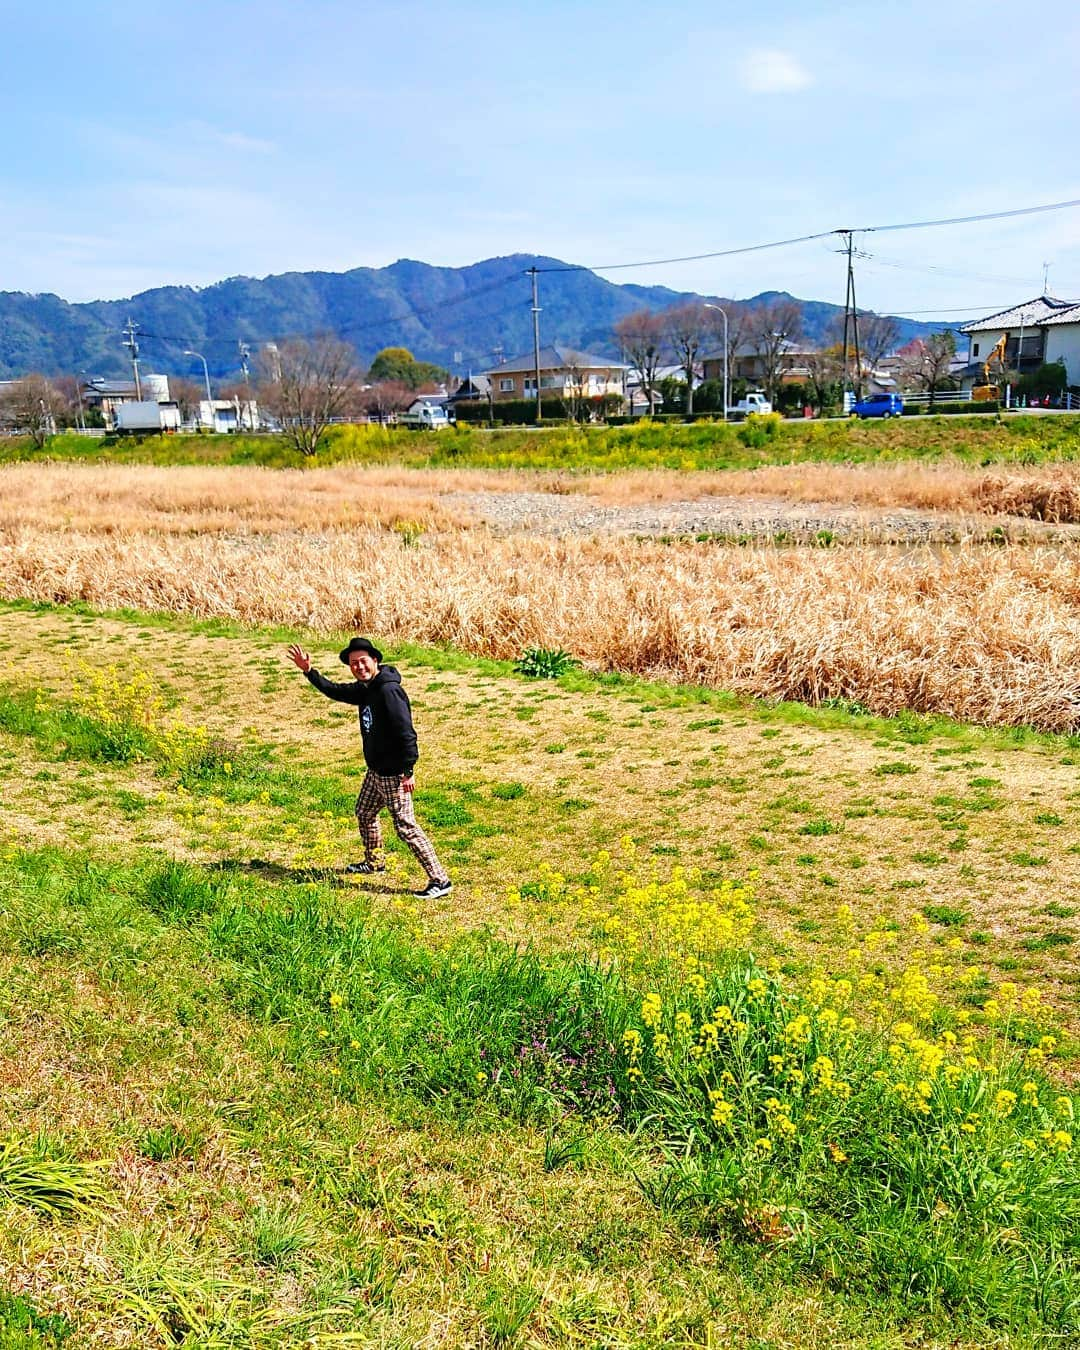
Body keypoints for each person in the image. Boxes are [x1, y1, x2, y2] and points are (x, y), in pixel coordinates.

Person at [286, 637, 452, 899]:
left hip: (393, 772)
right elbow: (337, 691)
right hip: (376, 770)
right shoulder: (366, 688)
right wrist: (309, 672)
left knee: (406, 827)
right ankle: (375, 862)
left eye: (363, 661)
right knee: (364, 812)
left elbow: (406, 733)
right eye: (353, 663)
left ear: (375, 661)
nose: (358, 667)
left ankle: (440, 880)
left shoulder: (388, 691)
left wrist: (408, 771)